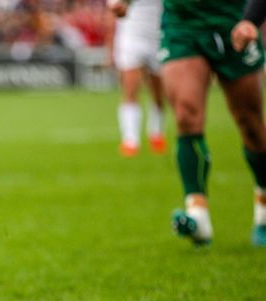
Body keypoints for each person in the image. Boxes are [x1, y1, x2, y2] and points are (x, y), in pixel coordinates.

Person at [160, 0, 266, 246]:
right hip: (182, 25)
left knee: (251, 124)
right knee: (186, 114)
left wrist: (251, 20)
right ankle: (198, 214)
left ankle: (263, 208)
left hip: (234, 22)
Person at [106, 0, 166, 157]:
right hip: (131, 38)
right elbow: (114, 11)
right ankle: (130, 141)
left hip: (158, 37)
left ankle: (156, 133)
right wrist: (110, 48)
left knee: (158, 93)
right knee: (131, 88)